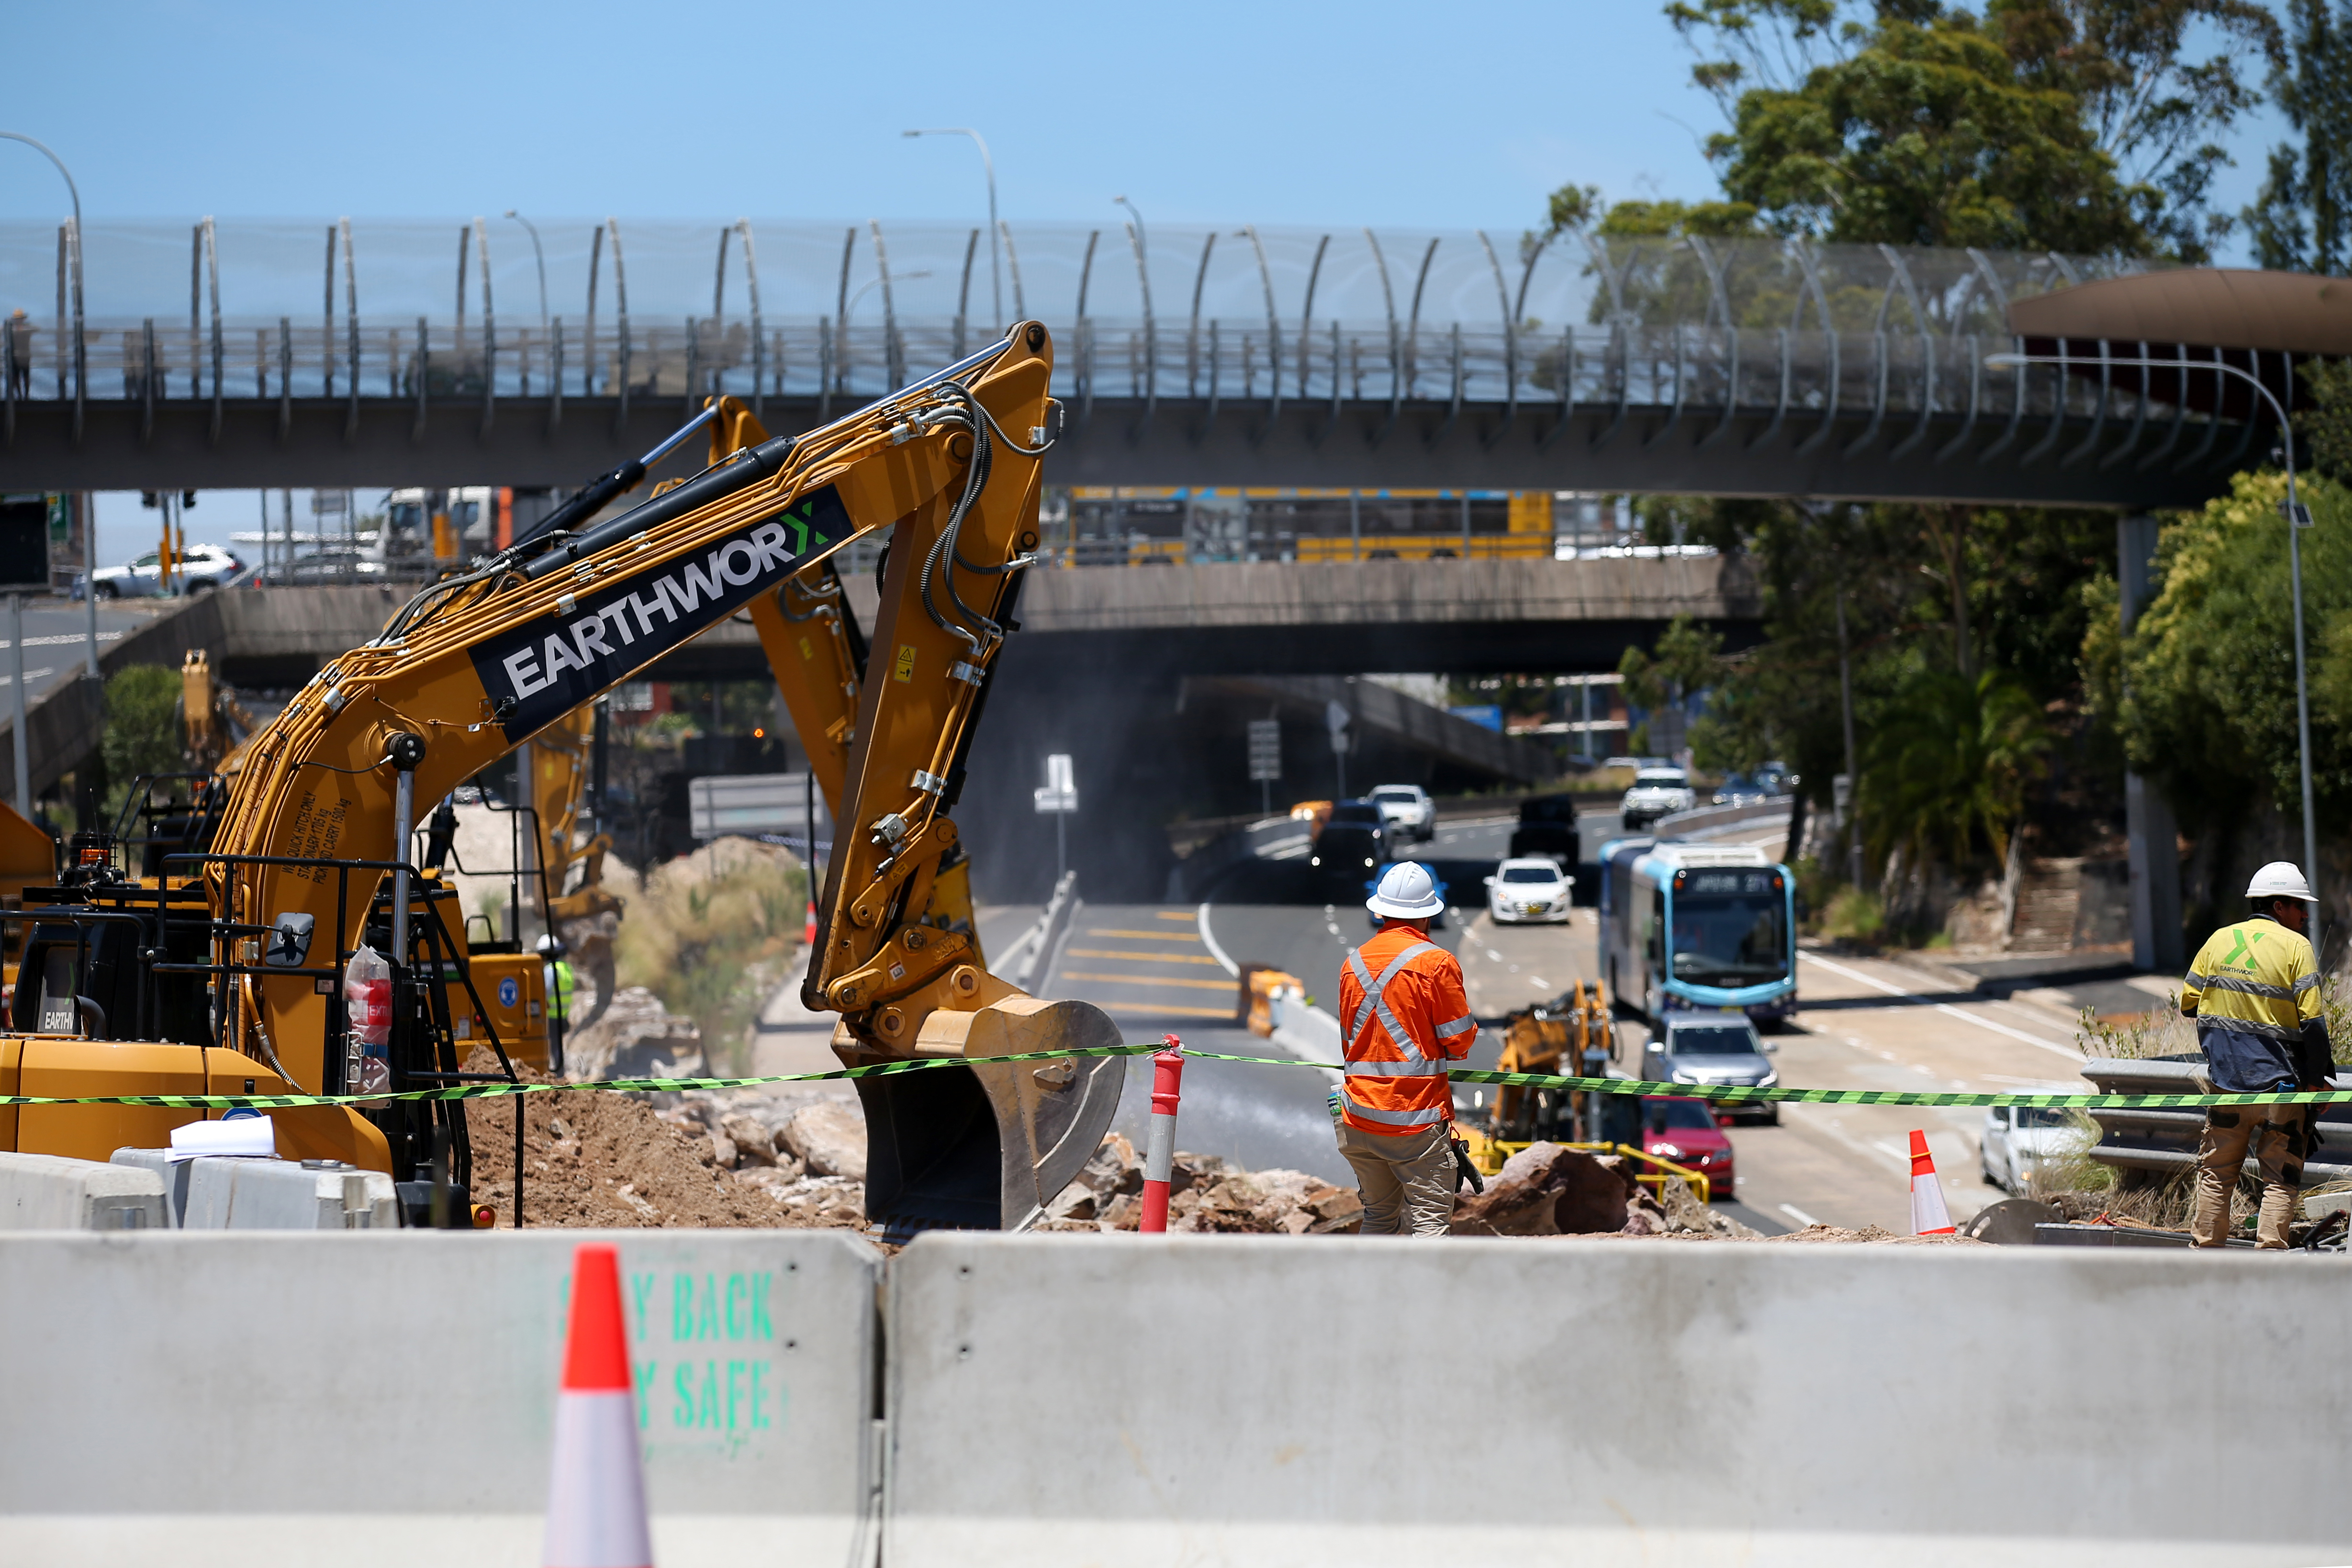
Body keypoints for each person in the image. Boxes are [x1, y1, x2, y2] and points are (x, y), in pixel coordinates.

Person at [2177, 862, 2335, 1248]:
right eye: (2300, 906)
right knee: (2280, 1180)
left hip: (2227, 1084)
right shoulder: (2296, 947)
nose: (2305, 915)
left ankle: (2205, 1261)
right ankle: (2269, 1267)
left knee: (2216, 1173)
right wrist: (2317, 1081)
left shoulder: (2218, 940)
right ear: (2279, 907)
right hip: (2281, 1090)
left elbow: (2188, 1004)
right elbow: (2313, 1023)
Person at [1334, 862, 1478, 1236]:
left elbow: (1351, 1042)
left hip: (1358, 1117)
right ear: (1428, 916)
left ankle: (1368, 1295)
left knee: (1379, 1218)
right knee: (1429, 1223)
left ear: (1380, 911)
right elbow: (1459, 1040)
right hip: (1412, 1120)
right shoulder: (1437, 964)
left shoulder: (1352, 964)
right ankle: (1424, 1297)